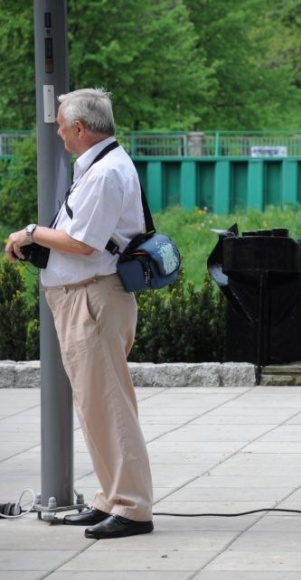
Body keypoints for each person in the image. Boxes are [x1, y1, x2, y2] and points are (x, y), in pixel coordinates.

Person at [3, 88, 154, 539]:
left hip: (92, 299)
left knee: (109, 405)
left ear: (81, 128)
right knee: (97, 404)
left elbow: (82, 244)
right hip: (87, 297)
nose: (59, 133)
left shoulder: (105, 173)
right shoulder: (101, 166)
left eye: (63, 126)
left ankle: (132, 507)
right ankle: (112, 498)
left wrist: (32, 233)